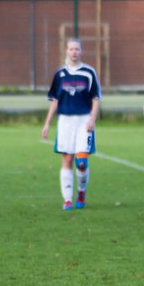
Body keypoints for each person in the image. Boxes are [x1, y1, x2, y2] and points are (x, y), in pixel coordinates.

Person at [40, 38, 101, 211]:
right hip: (65, 122)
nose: (74, 52)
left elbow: (96, 98)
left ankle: (81, 191)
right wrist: (47, 124)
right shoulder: (59, 75)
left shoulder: (89, 72)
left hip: (84, 121)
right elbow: (54, 100)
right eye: (71, 49)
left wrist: (92, 119)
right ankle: (67, 199)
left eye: (77, 49)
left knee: (81, 162)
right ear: (66, 51)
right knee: (67, 159)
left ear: (81, 51)